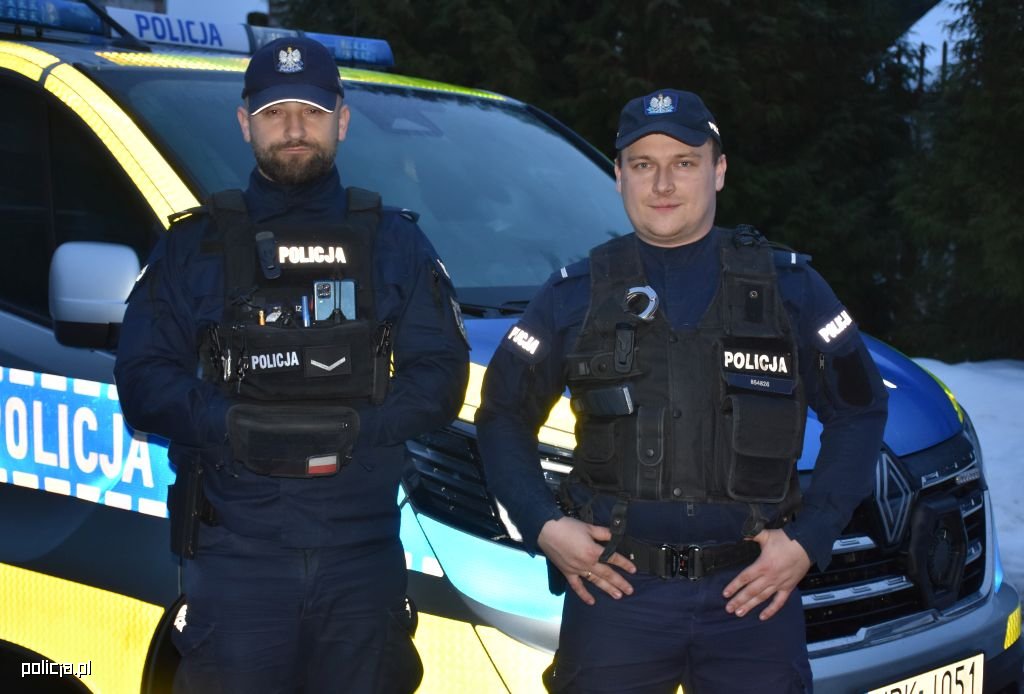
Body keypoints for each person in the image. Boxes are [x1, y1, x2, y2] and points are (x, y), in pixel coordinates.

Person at [475, 88, 889, 693]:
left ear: (718, 170)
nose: (663, 183)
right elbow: (501, 415)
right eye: (643, 164)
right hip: (617, 595)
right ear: (619, 176)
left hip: (753, 599)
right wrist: (542, 524)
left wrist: (810, 540)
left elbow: (861, 408)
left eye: (685, 162)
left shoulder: (789, 288)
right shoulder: (574, 294)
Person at [114, 36, 469, 694]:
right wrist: (234, 423)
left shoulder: (394, 242)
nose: (295, 128)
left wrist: (357, 428)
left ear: (342, 120)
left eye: (311, 111)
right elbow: (142, 383)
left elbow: (441, 376)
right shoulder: (195, 245)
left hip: (359, 559)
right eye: (275, 113)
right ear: (245, 123)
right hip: (237, 559)